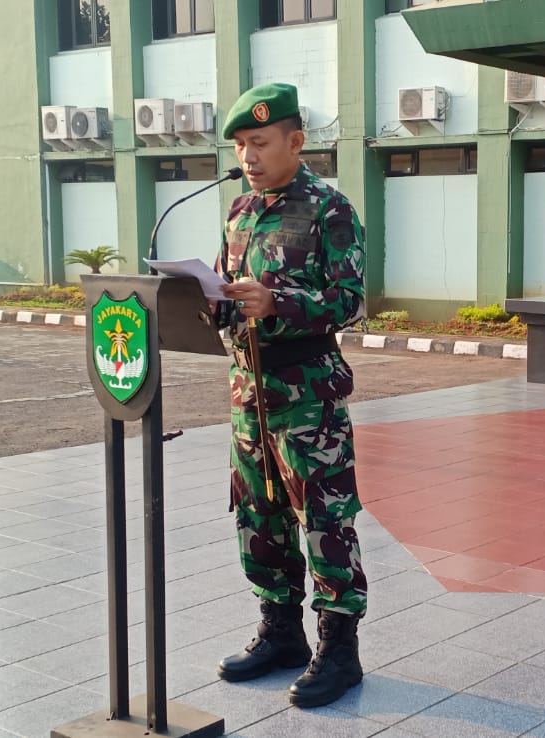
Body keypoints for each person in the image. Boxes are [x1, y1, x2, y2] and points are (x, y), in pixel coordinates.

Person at [210, 82, 369, 707]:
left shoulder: (329, 208)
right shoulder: (239, 211)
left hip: (308, 398)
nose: (249, 156)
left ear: (295, 142)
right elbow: (230, 288)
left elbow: (350, 301)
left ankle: (340, 648)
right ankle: (281, 632)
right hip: (249, 394)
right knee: (259, 517)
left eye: (260, 142)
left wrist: (279, 302)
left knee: (325, 519)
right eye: (242, 146)